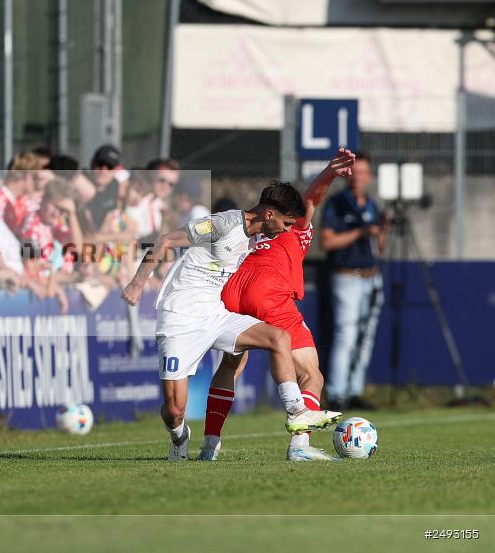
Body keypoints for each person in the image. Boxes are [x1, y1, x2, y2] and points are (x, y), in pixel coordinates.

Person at [121, 181, 341, 461]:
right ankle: (179, 436)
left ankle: (297, 412)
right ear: (269, 215)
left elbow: (306, 206)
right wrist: (138, 283)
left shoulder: (259, 236)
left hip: (215, 314)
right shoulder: (223, 224)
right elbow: (166, 240)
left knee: (278, 338)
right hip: (180, 316)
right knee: (175, 410)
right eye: (286, 223)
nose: (287, 230)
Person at [197, 149, 355, 462]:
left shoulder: (255, 228)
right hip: (269, 293)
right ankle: (300, 446)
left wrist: (328, 173)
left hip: (234, 291)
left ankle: (209, 444)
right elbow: (311, 198)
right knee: (312, 375)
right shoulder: (295, 227)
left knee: (231, 364)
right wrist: (330, 173)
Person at [321, 152, 388, 410]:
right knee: (346, 336)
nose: (359, 178)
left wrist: (381, 230)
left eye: (363, 173)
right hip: (347, 277)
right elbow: (328, 242)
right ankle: (337, 392)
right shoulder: (338, 204)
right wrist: (360, 232)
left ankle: (355, 389)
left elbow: (379, 248)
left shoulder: (371, 205)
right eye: (355, 172)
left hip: (371, 277)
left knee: (365, 338)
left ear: (369, 176)